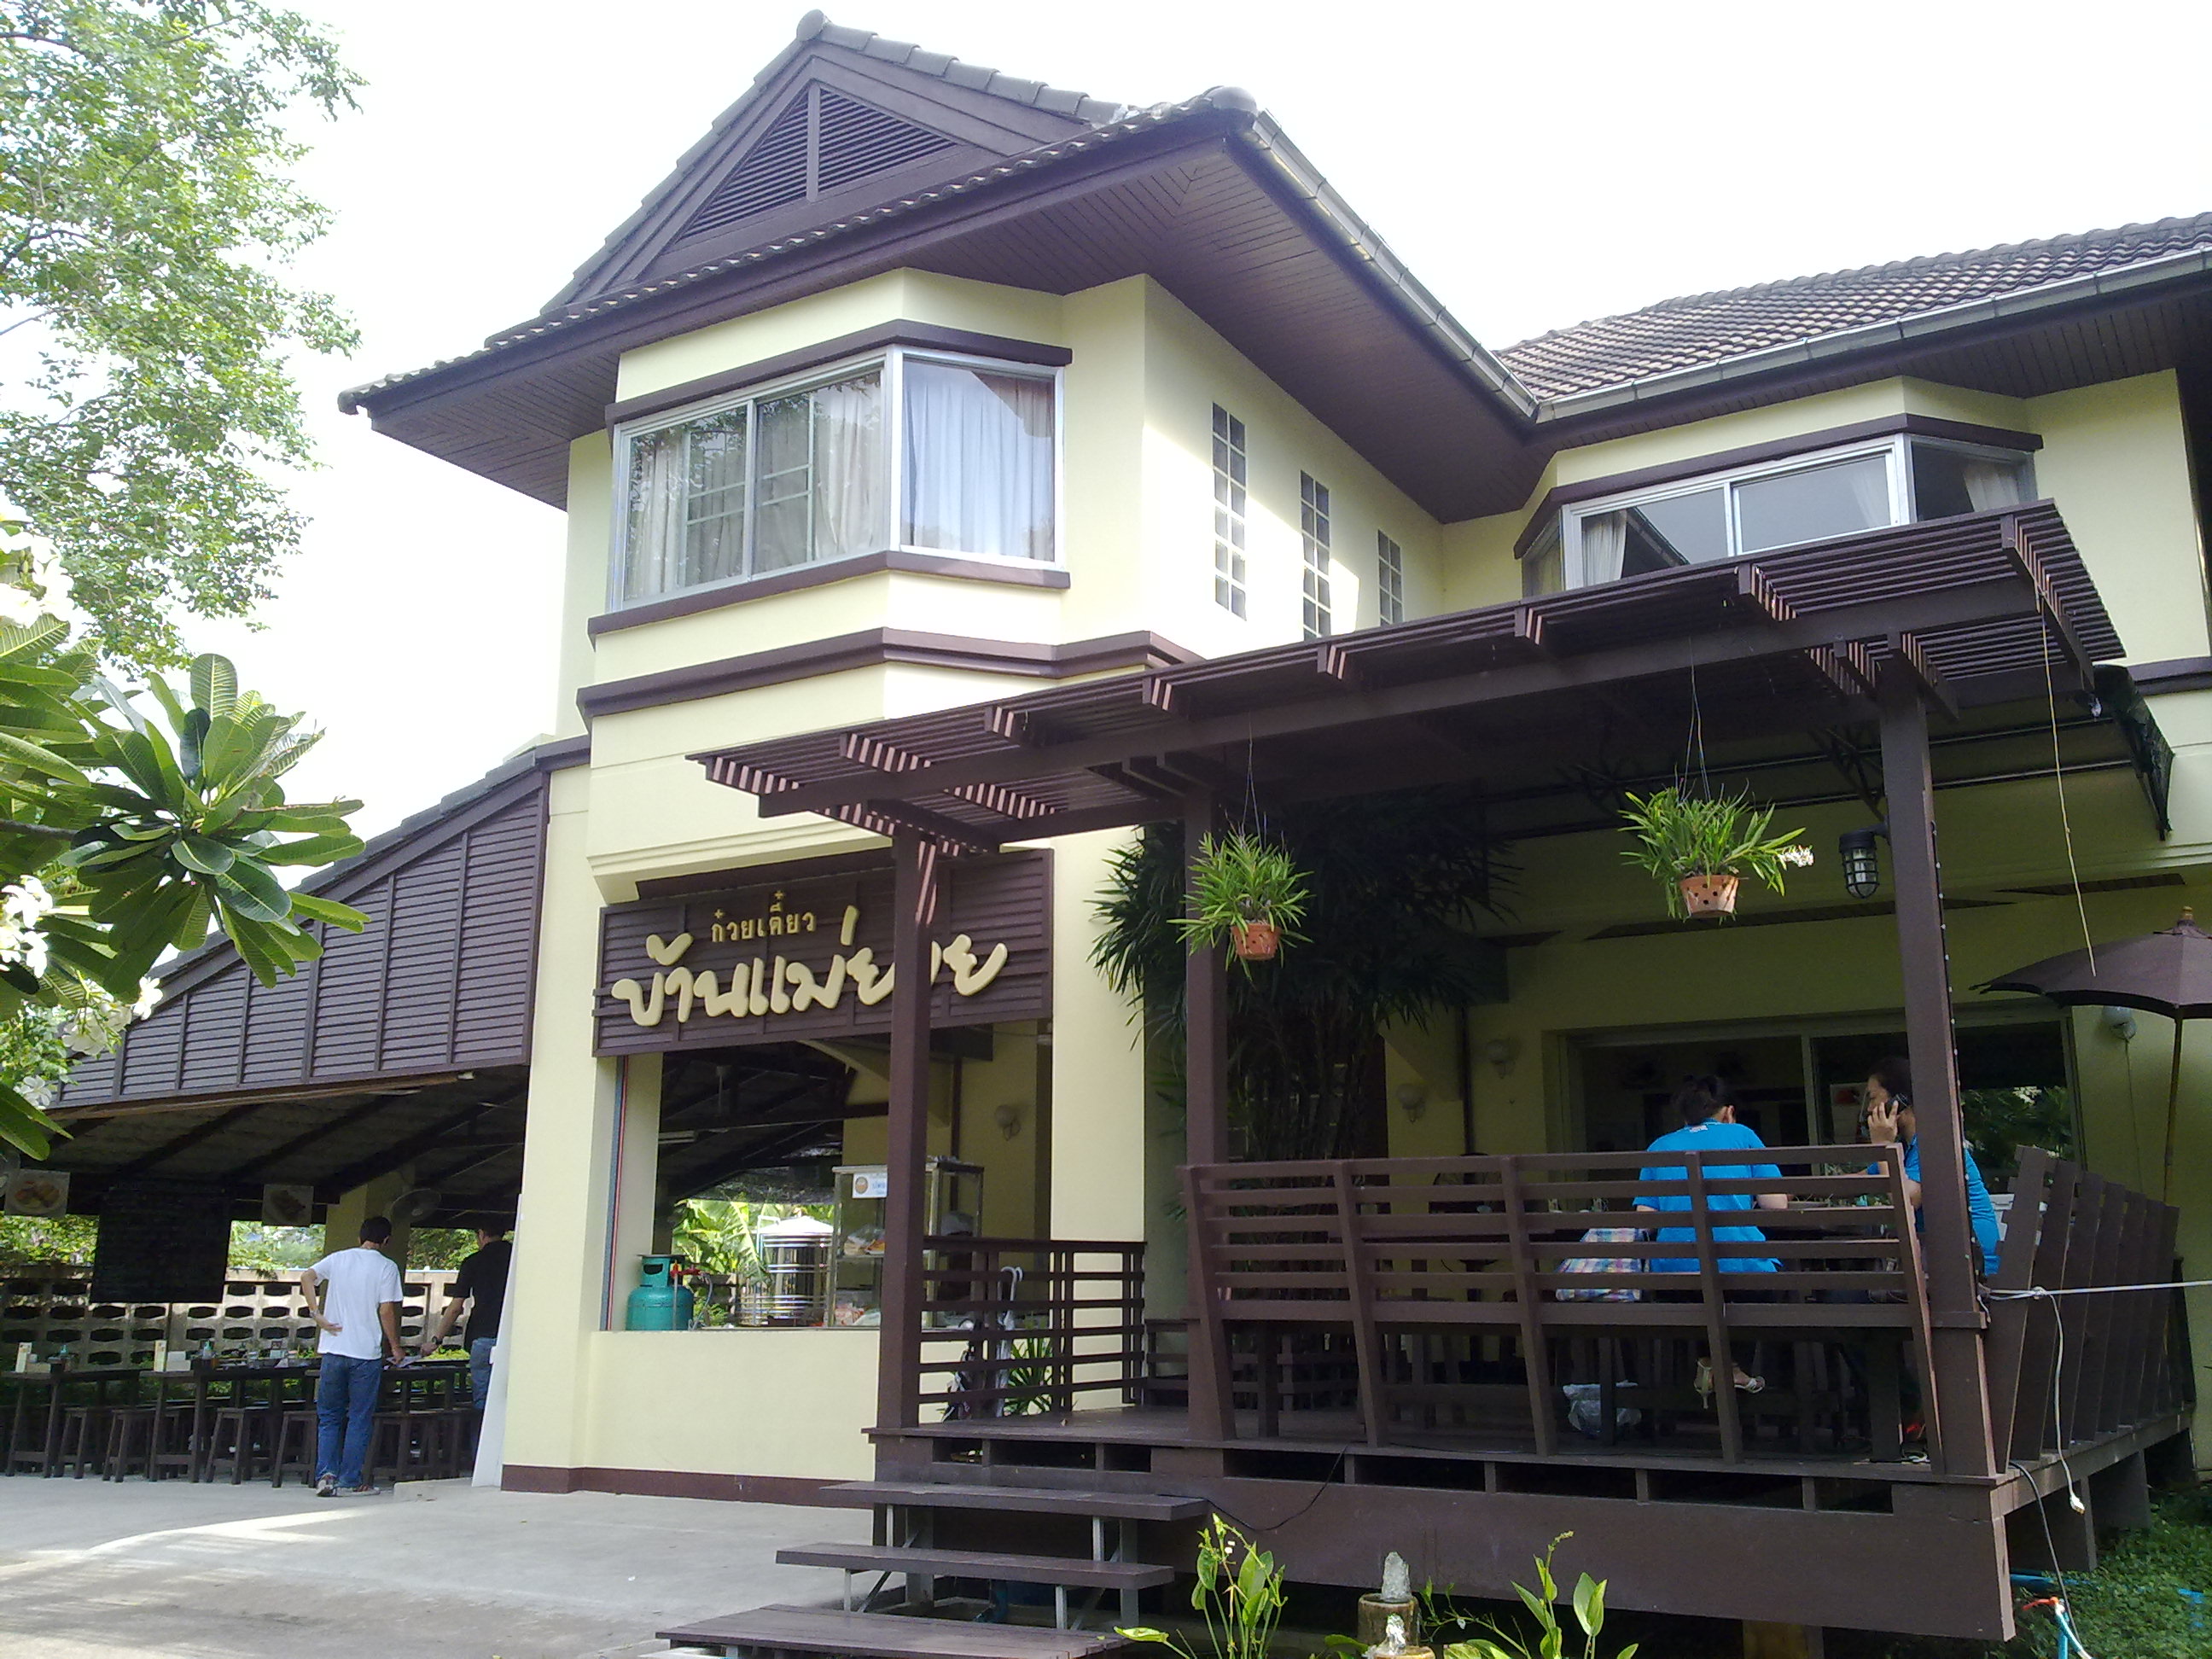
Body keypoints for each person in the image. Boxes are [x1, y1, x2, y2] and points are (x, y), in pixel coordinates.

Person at [1635, 1076, 1789, 1394]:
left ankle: (1712, 1363)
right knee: (1762, 1282)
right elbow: (1776, 1205)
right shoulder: (1742, 1135)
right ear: (1729, 1112)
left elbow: (1645, 1220)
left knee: (1705, 1290)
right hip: (1740, 1279)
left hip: (1674, 1282)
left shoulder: (1659, 1146)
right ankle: (1733, 1369)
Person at [1863, 1057, 2002, 1277]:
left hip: (1970, 1271)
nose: (1870, 1109)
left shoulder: (1934, 1145)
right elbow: (1858, 1180)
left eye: (1873, 1098)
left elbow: (1907, 1202)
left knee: (1847, 1289)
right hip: (1946, 1263)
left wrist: (1882, 1145)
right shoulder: (1908, 1149)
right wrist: (1806, 1189)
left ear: (1900, 1101)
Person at [300, 1215, 407, 1497]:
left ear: (360, 1237)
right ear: (386, 1240)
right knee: (359, 1418)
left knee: (329, 1417)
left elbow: (307, 1277)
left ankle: (326, 1476)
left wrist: (316, 1314)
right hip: (365, 1354)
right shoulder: (387, 1267)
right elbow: (386, 1310)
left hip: (333, 1349)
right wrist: (395, 1346)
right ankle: (350, 1480)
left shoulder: (338, 1259)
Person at [421, 1223, 513, 1410]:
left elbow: (455, 1308)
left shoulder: (473, 1261)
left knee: (483, 1400)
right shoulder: (518, 1259)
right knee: (512, 1399)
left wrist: (436, 1340)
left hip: (483, 1335)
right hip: (515, 1337)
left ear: (482, 1234)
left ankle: (480, 1428)